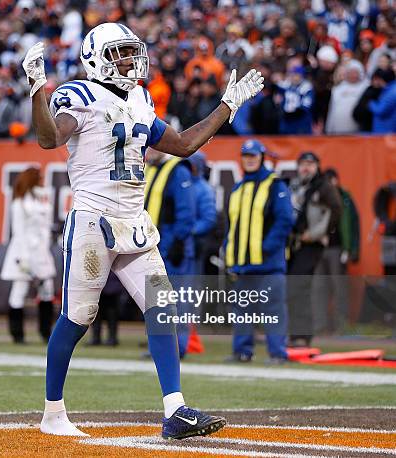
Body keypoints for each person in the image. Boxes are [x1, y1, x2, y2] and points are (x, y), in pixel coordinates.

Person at [22, 22, 263, 438]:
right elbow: (48, 139)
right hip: (94, 221)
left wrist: (227, 106)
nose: (130, 60)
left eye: (131, 51)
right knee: (79, 317)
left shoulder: (140, 98)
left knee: (163, 307)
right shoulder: (77, 94)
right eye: (120, 53)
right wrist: (37, 89)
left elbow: (184, 144)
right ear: (96, 58)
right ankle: (53, 412)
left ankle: (176, 410)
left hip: (134, 221)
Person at [223, 139, 293, 364]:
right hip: (243, 265)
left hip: (268, 264)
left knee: (273, 309)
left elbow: (284, 220)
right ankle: (242, 352)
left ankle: (277, 353)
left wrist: (265, 248)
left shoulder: (275, 185)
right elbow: (232, 225)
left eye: (253, 155)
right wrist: (228, 251)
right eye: (246, 156)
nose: (250, 159)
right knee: (242, 310)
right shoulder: (238, 188)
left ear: (262, 157)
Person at [144, 148, 197, 359]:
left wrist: (178, 241)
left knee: (177, 300)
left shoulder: (178, 170)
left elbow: (186, 211)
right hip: (151, 246)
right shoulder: (148, 169)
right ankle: (159, 348)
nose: (151, 149)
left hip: (173, 247)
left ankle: (179, 347)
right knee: (154, 302)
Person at [288, 152, 342, 347]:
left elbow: (336, 210)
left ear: (317, 166)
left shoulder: (324, 186)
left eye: (310, 164)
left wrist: (316, 232)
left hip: (312, 244)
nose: (306, 168)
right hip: (294, 244)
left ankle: (302, 336)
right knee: (294, 287)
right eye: (303, 163)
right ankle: (296, 335)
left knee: (299, 286)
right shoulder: (296, 185)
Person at [0, 168, 56, 344]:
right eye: (39, 178)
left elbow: (45, 230)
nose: (42, 181)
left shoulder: (43, 201)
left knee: (47, 291)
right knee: (19, 291)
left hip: (41, 254)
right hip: (23, 254)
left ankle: (46, 332)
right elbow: (19, 232)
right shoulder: (19, 204)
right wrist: (24, 260)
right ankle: (17, 334)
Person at [311, 168, 360, 334]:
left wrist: (351, 249)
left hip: (337, 249)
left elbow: (353, 224)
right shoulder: (316, 197)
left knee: (339, 288)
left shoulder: (344, 198)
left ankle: (341, 326)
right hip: (318, 248)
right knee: (318, 288)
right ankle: (320, 326)